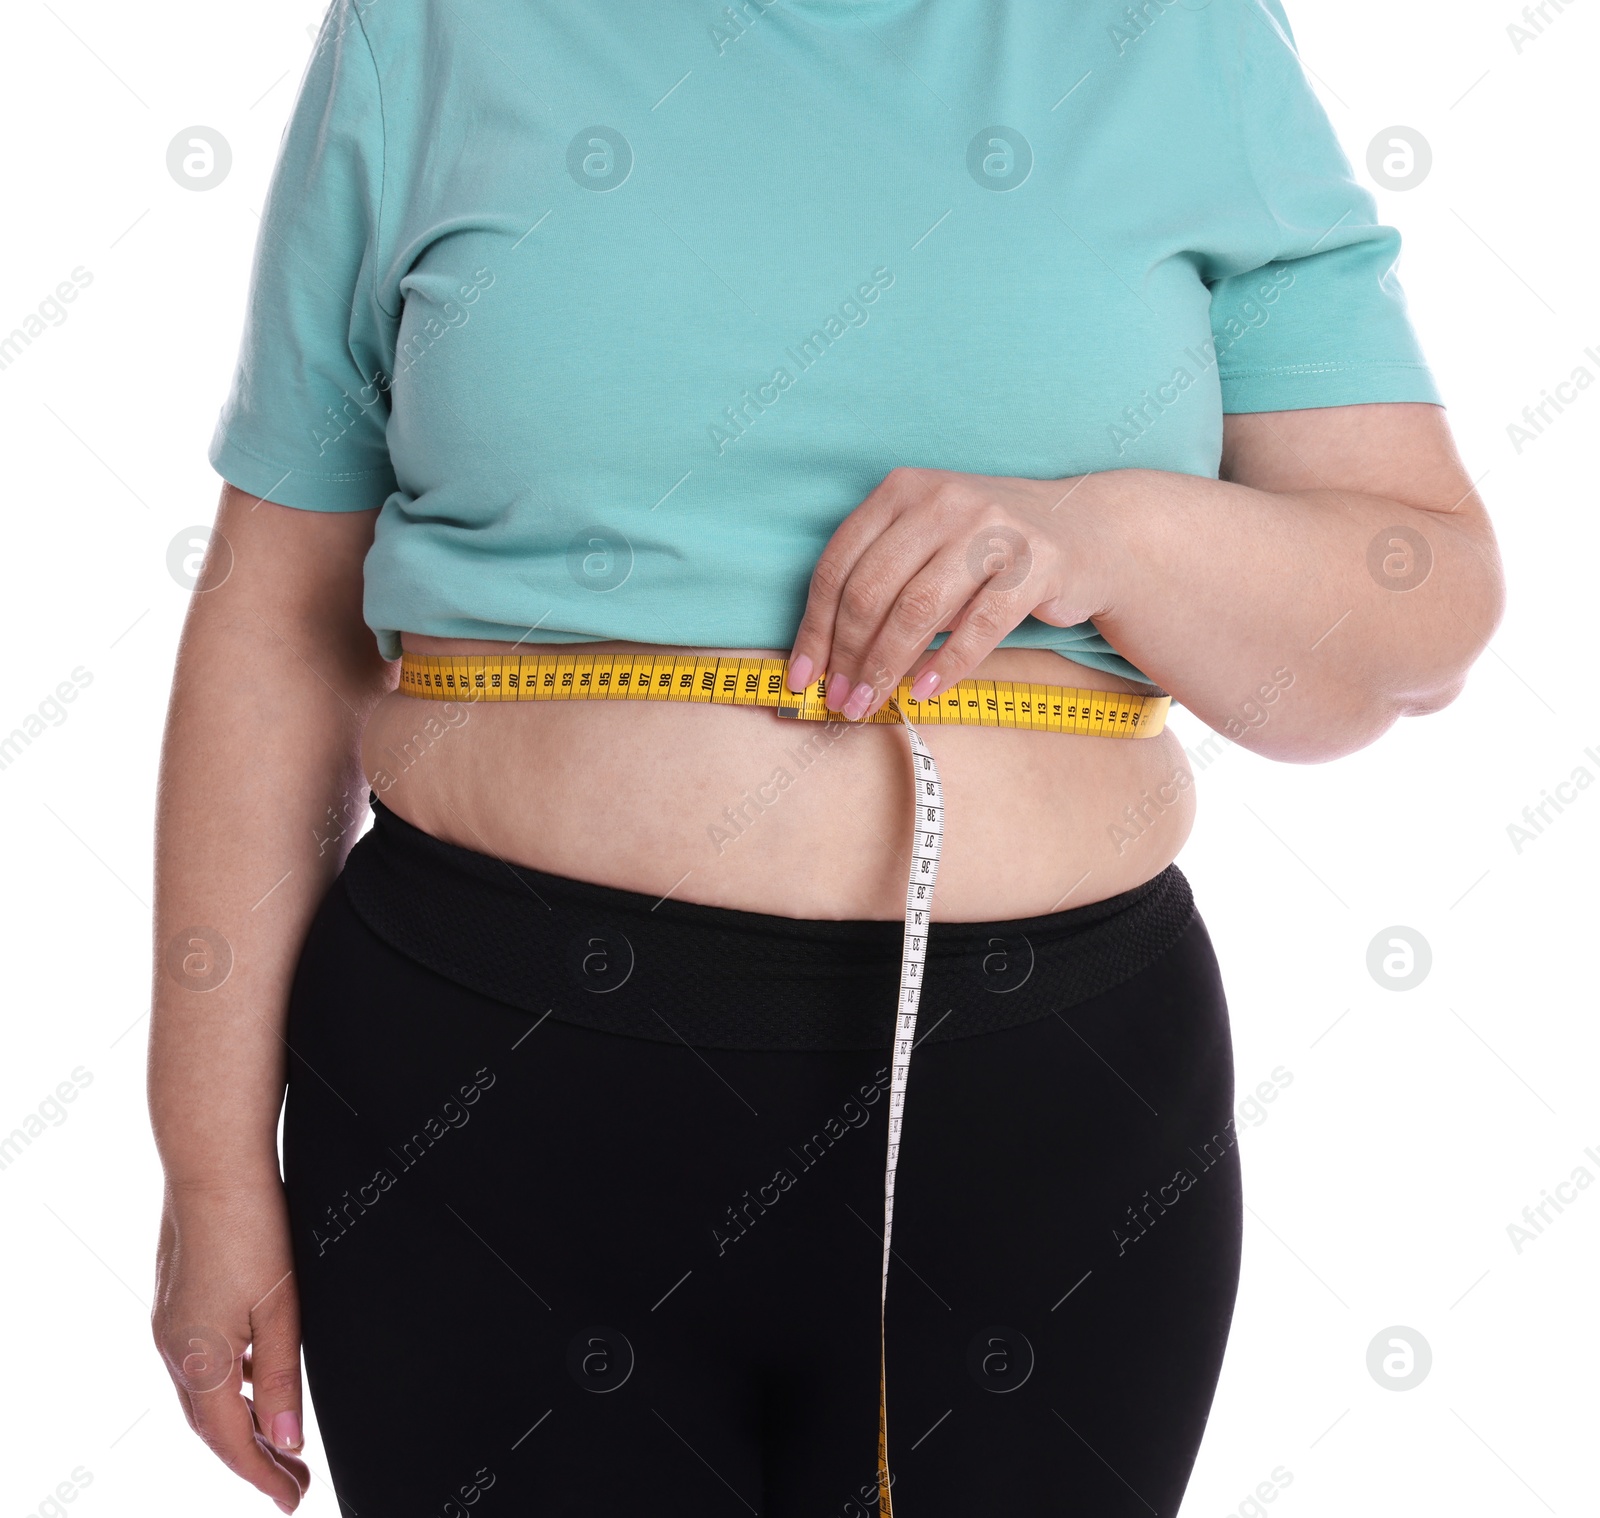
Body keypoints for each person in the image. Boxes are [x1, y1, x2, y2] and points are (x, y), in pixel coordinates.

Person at [148, 0, 1505, 1513]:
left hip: (1045, 1126)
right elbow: (275, 615)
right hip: (490, 1104)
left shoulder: (1175, 39)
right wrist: (207, 1162)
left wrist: (1108, 533)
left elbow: (1420, 609)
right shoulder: (438, 29)